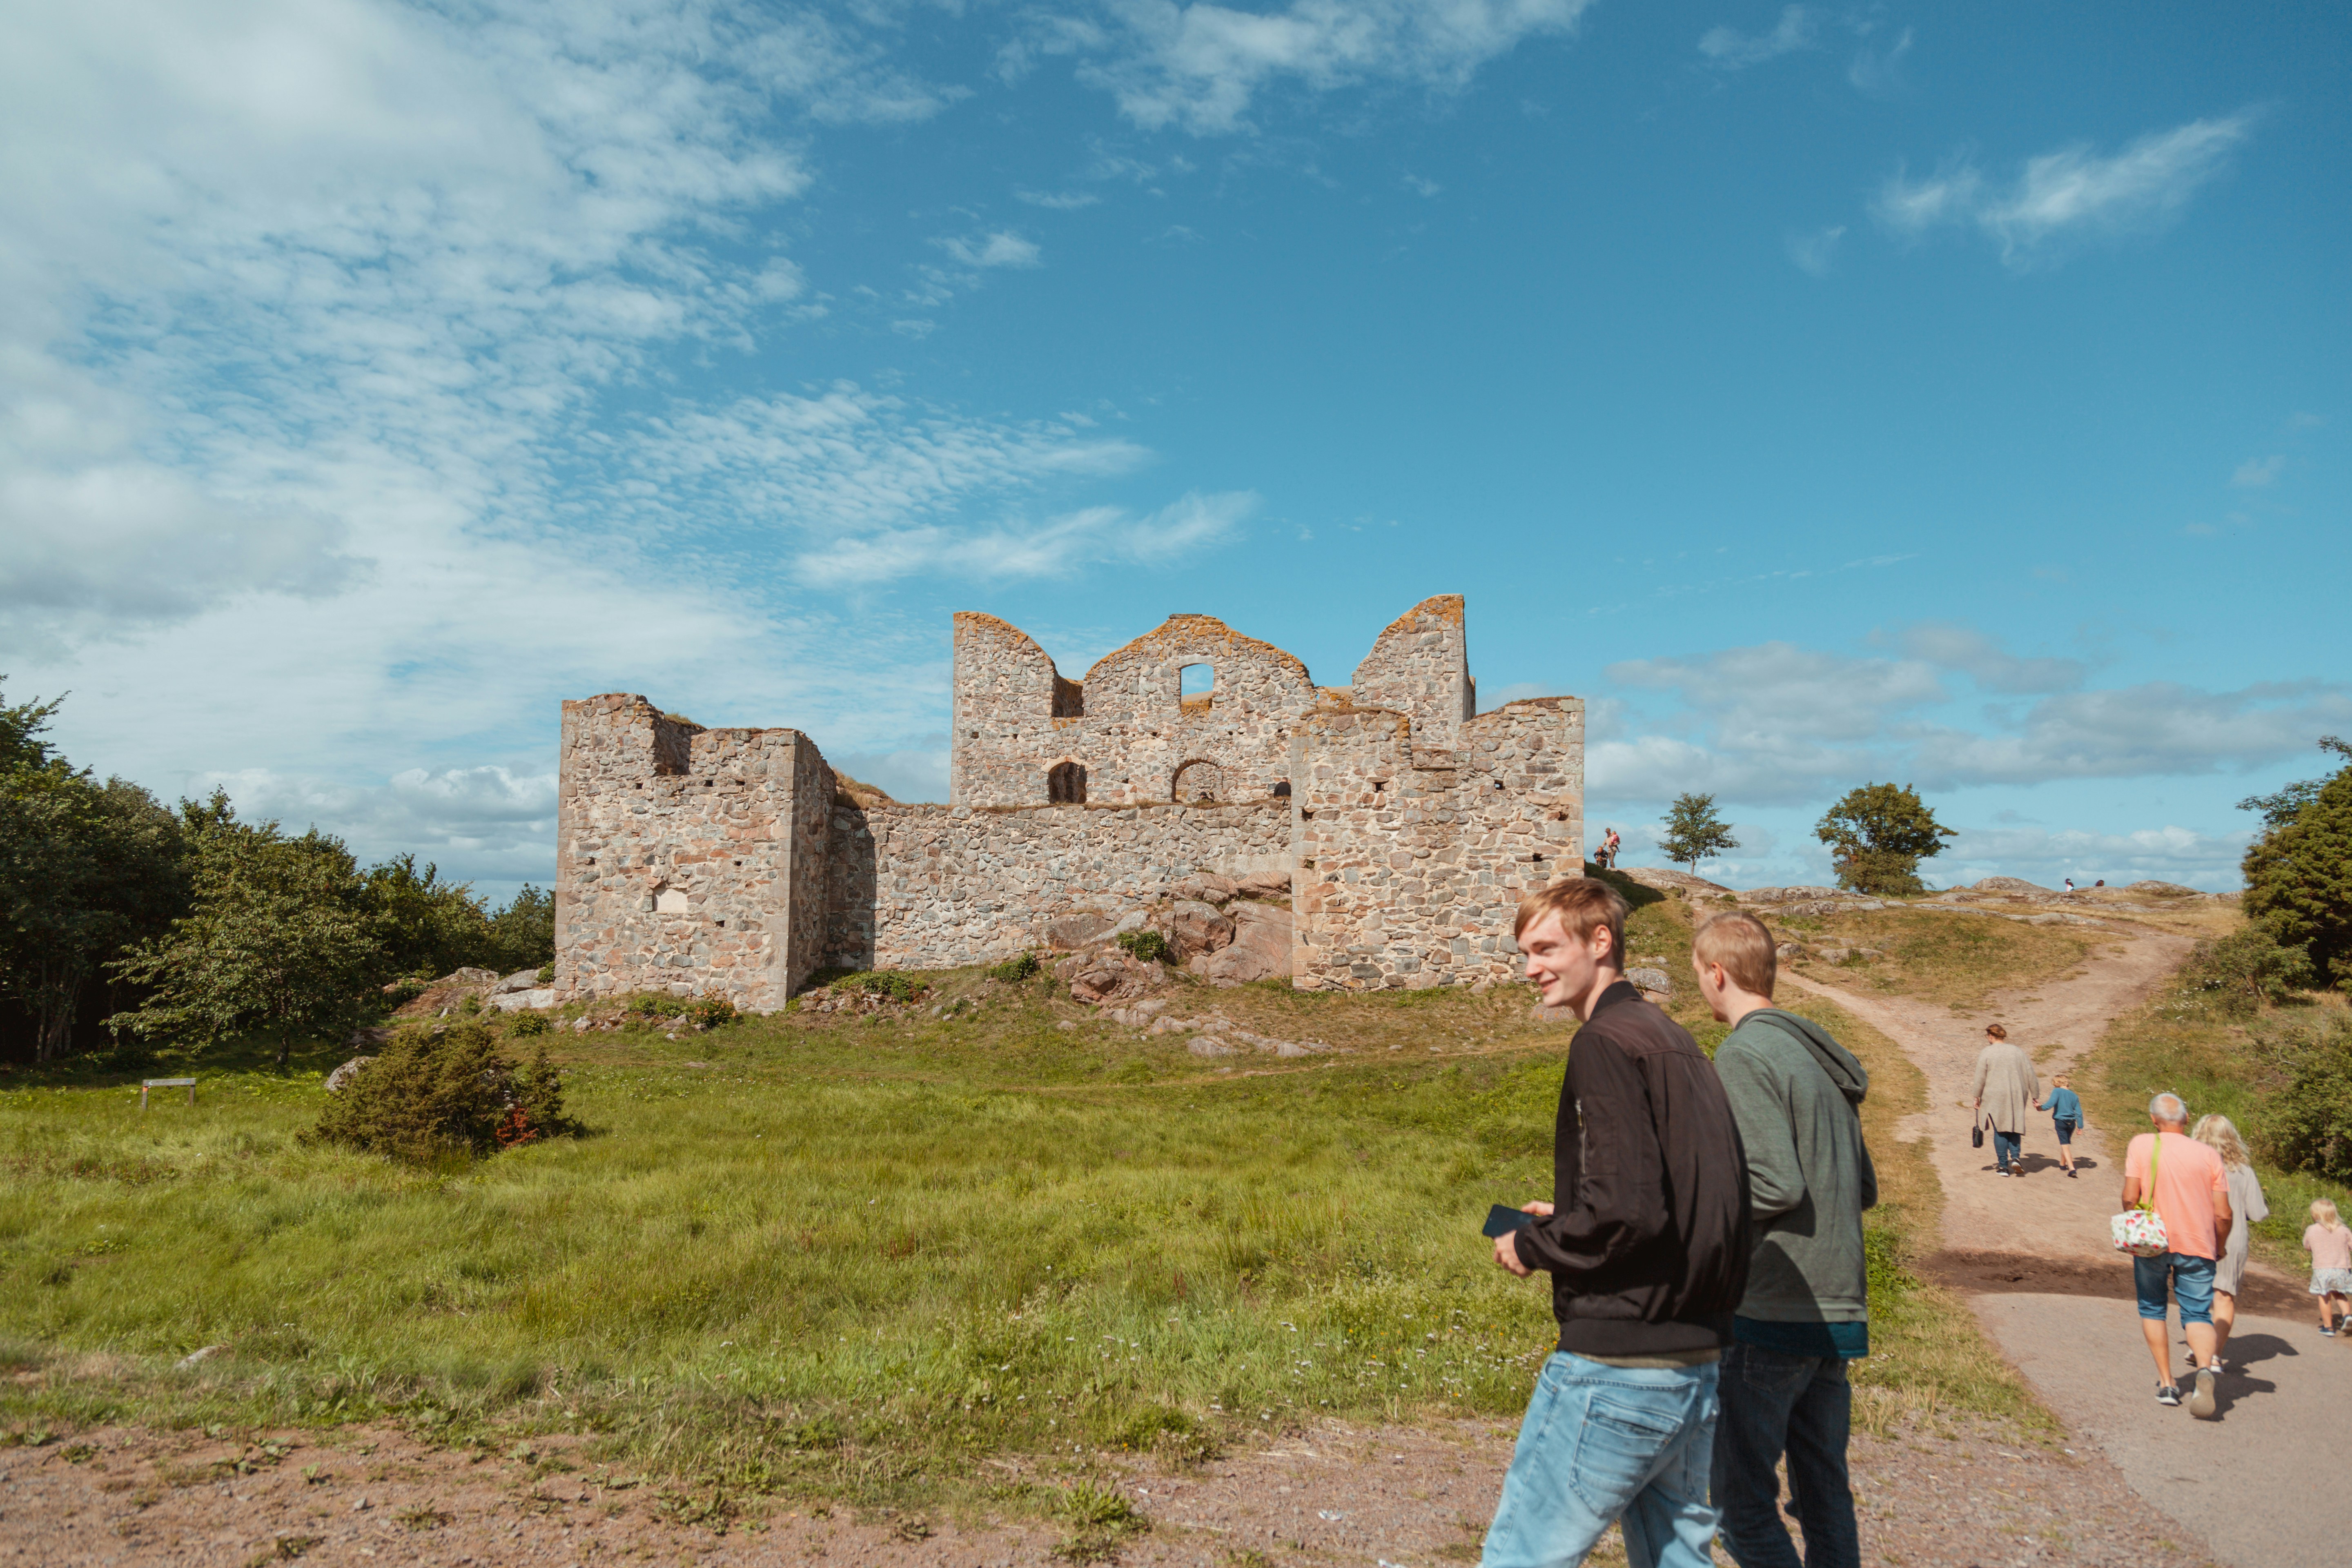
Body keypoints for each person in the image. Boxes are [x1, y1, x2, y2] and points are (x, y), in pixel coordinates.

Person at [1483, 878, 1753, 1568]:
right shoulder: (1676, 1040)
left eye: (1545, 948)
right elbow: (1691, 1197)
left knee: (1524, 1558)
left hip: (1618, 1362)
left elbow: (1625, 1214)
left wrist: (1533, 1242)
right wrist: (1573, 1217)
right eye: (1524, 952)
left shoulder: (1603, 1042)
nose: (1531, 968)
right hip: (1696, 1358)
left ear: (1600, 941)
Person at [1691, 911, 1876, 1568]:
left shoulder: (1744, 1052)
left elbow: (1773, 1185)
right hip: (1838, 1305)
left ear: (1717, 975)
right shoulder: (1819, 1057)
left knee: (1737, 1505)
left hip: (1773, 1307)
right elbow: (1862, 1188)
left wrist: (1696, 1224)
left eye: (1700, 978)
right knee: (1824, 1494)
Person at [2122, 1094, 2232, 1415]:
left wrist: (2134, 1224)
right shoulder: (2210, 1155)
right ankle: (2203, 1370)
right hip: (2198, 1244)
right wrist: (2220, 1245)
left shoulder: (2142, 1144)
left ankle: (2168, 1383)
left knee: (2153, 1307)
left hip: (2152, 1241)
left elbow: (2131, 1197)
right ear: (2186, 1120)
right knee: (2198, 1314)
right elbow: (2223, 1214)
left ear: (2154, 1120)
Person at [2190, 1114, 2267, 1371]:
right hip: (2233, 1239)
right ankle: (2214, 1356)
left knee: (2197, 1294)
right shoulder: (2244, 1172)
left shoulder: (2193, 1167)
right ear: (2232, 1138)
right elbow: (2257, 1213)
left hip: (2196, 1236)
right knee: (2224, 1297)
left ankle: (2198, 1346)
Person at [1971, 1025, 2040, 1178]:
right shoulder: (2017, 1051)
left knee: (2000, 1130)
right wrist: (2036, 1095)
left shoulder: (1987, 1052)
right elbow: (2030, 1073)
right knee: (2014, 1126)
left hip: (1995, 1094)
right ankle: (2015, 1158)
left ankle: (2003, 1167)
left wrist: (1977, 1096)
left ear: (1990, 1036)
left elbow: (1980, 1077)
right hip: (2017, 1093)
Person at [2305, 1200, 2352, 1336]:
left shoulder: (2312, 1230)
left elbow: (2307, 1246)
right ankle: (2348, 1316)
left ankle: (2328, 1328)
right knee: (2339, 1294)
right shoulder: (2344, 1230)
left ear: (2315, 1215)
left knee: (2324, 1296)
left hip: (2322, 1270)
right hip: (2342, 1270)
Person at [2037, 1074, 2086, 1178]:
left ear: (2057, 1083)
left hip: (2061, 1122)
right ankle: (2062, 1164)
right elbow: (2079, 1113)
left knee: (2065, 1145)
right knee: (2066, 1143)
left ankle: (2072, 1168)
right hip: (2072, 1123)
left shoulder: (2057, 1091)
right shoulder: (2074, 1096)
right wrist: (2080, 1126)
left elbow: (2050, 1104)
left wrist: (2040, 1108)